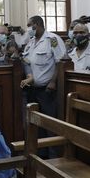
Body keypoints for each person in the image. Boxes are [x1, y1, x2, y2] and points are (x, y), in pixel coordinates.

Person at [19, 15, 65, 158]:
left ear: (37, 24)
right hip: (33, 90)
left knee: (50, 126)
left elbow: (60, 62)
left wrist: (53, 82)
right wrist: (29, 77)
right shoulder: (31, 42)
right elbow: (26, 61)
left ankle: (54, 159)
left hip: (47, 90)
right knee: (37, 127)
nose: (28, 29)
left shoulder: (52, 39)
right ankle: (42, 157)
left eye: (29, 25)